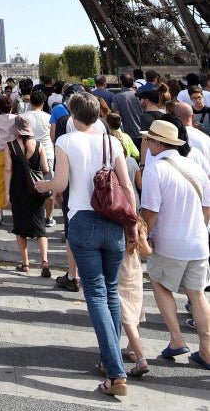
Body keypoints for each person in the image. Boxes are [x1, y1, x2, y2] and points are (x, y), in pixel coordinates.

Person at [35, 92, 136, 397]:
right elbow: (127, 186)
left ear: (73, 114)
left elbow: (62, 184)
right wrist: (133, 226)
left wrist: (44, 185)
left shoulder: (66, 142)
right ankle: (110, 362)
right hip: (114, 221)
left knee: (95, 293)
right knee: (112, 292)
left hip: (84, 221)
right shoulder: (112, 142)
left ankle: (116, 373)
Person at [139, 119, 210, 371]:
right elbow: (206, 209)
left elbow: (150, 211)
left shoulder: (155, 169)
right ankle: (207, 351)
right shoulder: (195, 167)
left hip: (169, 241)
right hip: (198, 242)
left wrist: (144, 236)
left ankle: (176, 338)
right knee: (198, 294)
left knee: (158, 282)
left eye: (148, 139)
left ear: (157, 143)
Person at [4, 115, 50, 275]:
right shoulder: (39, 145)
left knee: (20, 228)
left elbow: (8, 170)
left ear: (16, 130)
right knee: (40, 228)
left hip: (18, 190)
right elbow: (45, 169)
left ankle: (25, 264)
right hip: (37, 189)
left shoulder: (9, 146)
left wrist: (6, 193)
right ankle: (44, 261)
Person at [118, 217, 153, 378]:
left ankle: (140, 357)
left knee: (126, 316)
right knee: (135, 311)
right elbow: (146, 252)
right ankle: (132, 349)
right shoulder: (138, 222)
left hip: (119, 270)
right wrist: (145, 239)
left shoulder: (114, 219)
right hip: (135, 272)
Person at [22, 90, 57, 227]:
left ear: (30, 102)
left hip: (29, 152)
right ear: (43, 103)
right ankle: (49, 217)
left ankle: (31, 215)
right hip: (47, 152)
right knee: (48, 185)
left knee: (28, 185)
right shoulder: (48, 117)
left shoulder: (23, 117)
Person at [0, 95, 17, 226]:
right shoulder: (17, 118)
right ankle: (16, 211)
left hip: (1, 151)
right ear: (11, 107)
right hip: (15, 152)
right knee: (16, 182)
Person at [112, 73, 143, 148]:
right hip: (143, 132)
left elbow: (117, 117)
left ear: (121, 83)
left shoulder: (117, 97)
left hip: (128, 134)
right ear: (132, 82)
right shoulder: (141, 95)